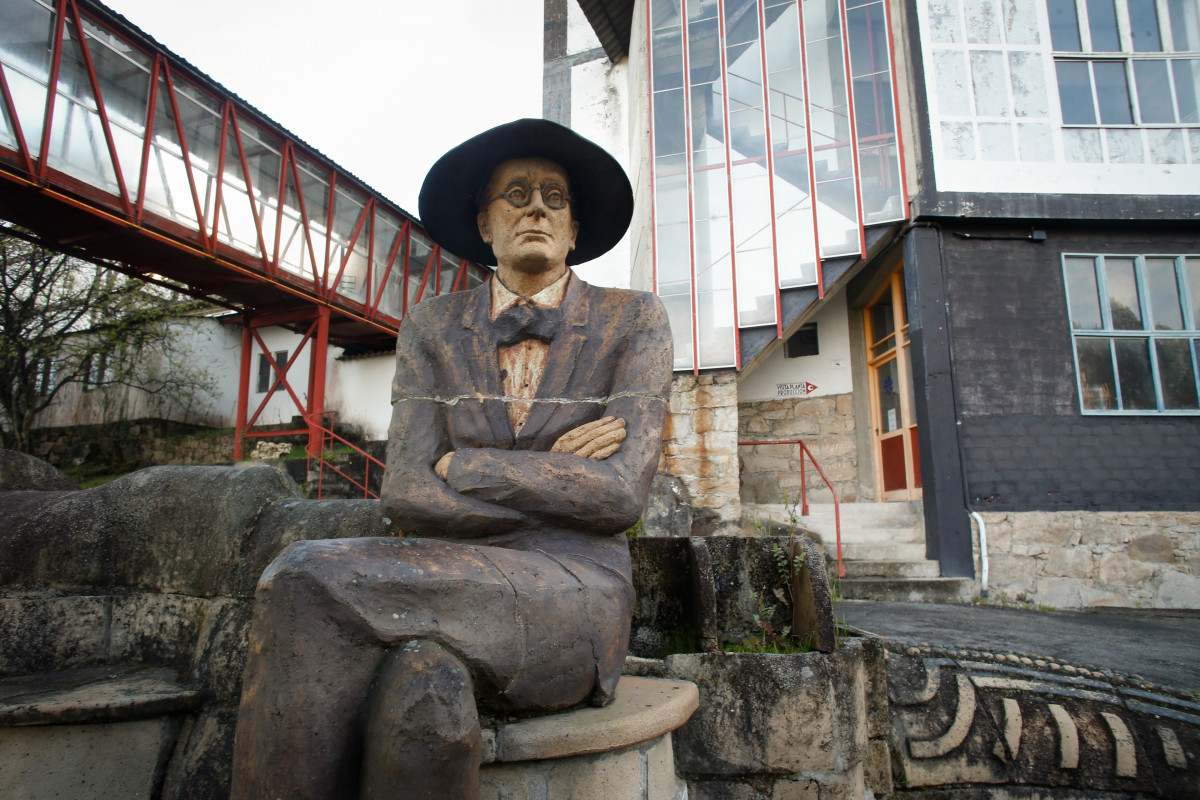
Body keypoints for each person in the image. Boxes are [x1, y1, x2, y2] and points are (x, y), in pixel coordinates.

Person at [230, 119, 672, 800]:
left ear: (575, 229)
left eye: (555, 198)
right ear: (485, 224)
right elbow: (406, 492)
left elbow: (618, 495)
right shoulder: (432, 326)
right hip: (448, 577)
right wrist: (557, 486)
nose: (536, 209)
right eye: (517, 194)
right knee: (423, 690)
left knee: (305, 575)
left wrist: (469, 467)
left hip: (576, 588)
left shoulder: (634, 320)